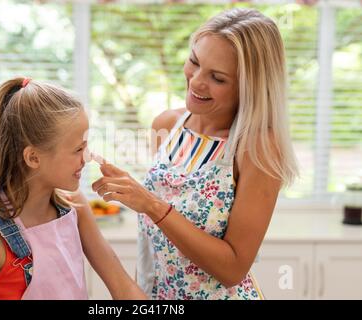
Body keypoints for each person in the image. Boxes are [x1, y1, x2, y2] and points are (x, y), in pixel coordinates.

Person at [91, 8, 299, 300]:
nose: (196, 81)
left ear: (248, 87)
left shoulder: (256, 148)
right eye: (194, 62)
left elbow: (233, 268)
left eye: (218, 77)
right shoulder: (167, 125)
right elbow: (154, 248)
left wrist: (151, 204)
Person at [0, 77, 146, 300]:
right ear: (33, 157)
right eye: (78, 150)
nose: (86, 158)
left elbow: (122, 286)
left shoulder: (73, 204)